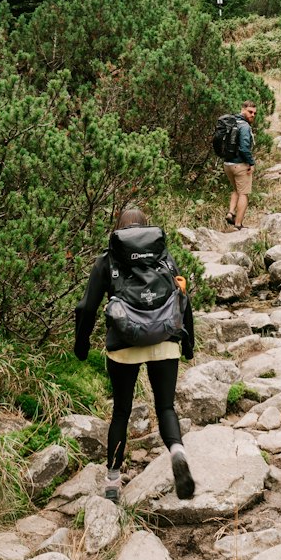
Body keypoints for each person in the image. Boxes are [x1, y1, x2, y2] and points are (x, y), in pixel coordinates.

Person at [74, 204, 195, 503]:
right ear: (145, 227)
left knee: (121, 412)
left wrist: (82, 344)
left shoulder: (109, 259)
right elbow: (182, 298)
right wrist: (188, 344)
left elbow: (86, 307)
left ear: (118, 229)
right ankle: (177, 452)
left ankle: (113, 483)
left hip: (124, 342)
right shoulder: (162, 255)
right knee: (166, 408)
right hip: (165, 338)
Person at [223, 100, 257, 230]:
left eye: (254, 113)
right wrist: (251, 163)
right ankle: (238, 225)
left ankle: (230, 213)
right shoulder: (245, 126)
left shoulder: (231, 122)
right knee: (244, 194)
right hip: (240, 165)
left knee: (236, 190)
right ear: (242, 109)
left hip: (227, 164)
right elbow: (244, 148)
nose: (253, 115)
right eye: (250, 112)